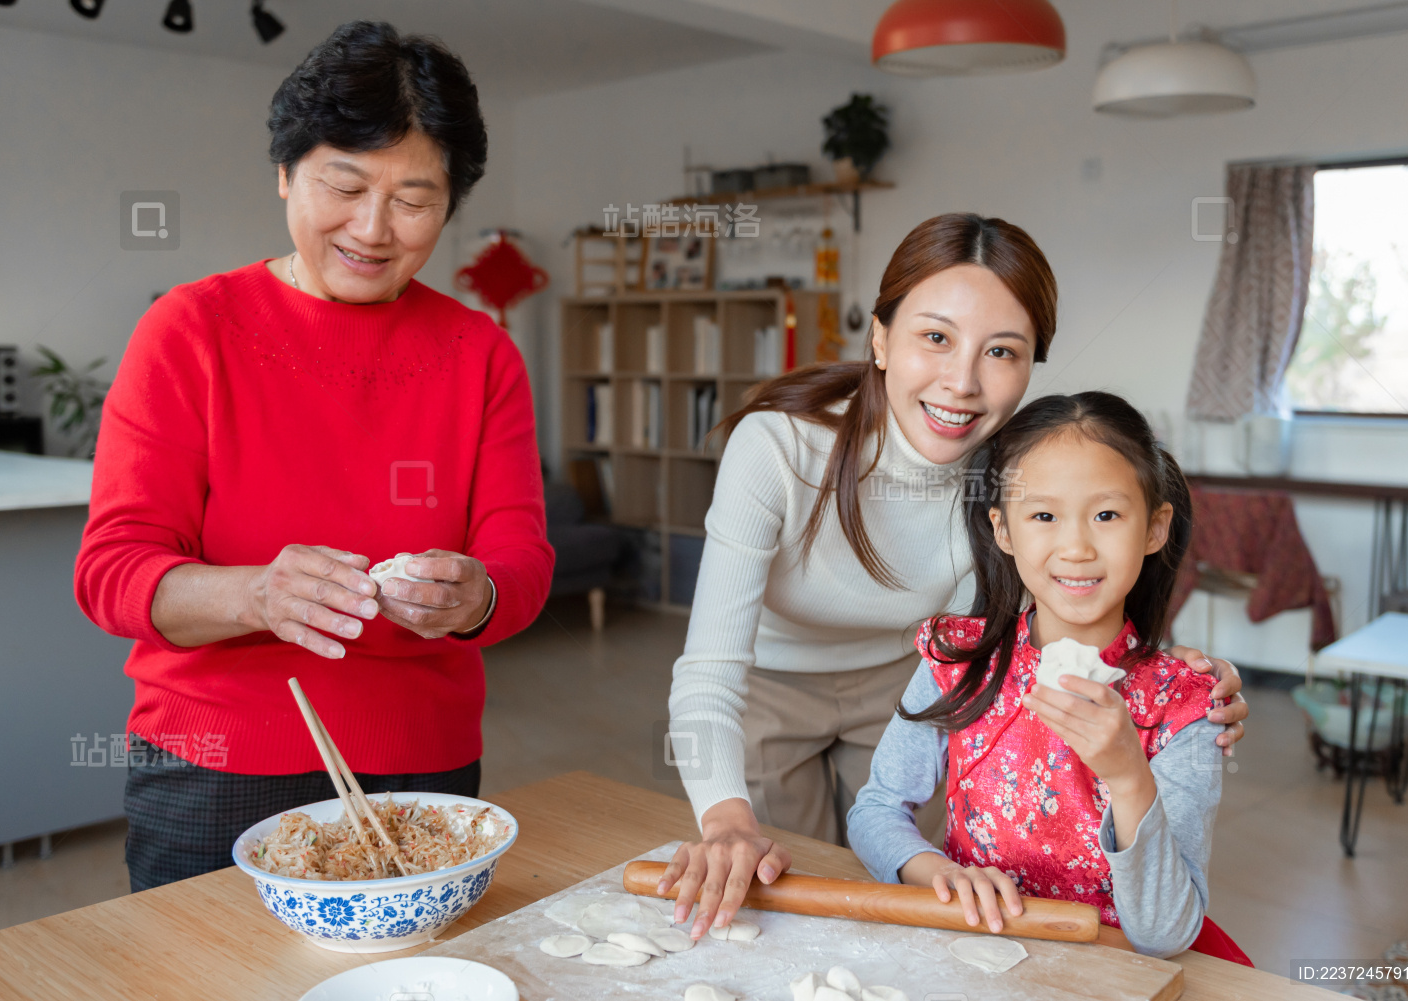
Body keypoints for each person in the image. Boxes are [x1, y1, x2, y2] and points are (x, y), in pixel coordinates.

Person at [660, 214, 1250, 940]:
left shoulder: (1013, 478)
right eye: (934, 337)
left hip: (913, 677)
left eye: (1001, 350)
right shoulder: (779, 447)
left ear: (1032, 362)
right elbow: (710, 668)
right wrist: (724, 821)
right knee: (791, 900)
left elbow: (1082, 576)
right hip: (770, 687)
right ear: (880, 338)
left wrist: (1177, 677)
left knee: (934, 904)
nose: (962, 383)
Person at [74, 21, 553, 891]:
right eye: (345, 185)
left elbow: (519, 559)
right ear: (287, 173)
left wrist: (474, 593)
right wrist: (256, 592)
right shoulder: (190, 331)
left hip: (424, 769)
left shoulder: (480, 353)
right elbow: (112, 571)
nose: (373, 229)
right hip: (211, 761)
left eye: (414, 199)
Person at [846, 391, 1250, 963]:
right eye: (1043, 515)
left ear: (1156, 528)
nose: (1077, 547)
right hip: (976, 954)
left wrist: (1129, 774)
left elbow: (1165, 932)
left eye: (1107, 515)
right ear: (1004, 531)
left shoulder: (1185, 704)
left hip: (1107, 972)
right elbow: (876, 809)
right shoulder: (958, 660)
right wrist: (935, 871)